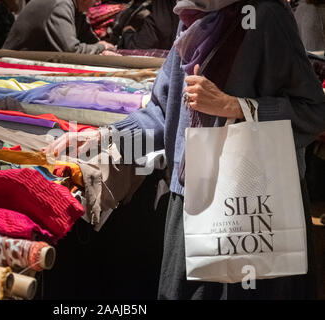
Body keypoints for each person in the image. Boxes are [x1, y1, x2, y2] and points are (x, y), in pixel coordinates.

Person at [46, 0, 325, 299]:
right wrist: (104, 138)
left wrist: (235, 106)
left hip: (255, 206)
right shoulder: (192, 17)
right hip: (193, 199)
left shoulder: (265, 14)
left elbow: (313, 112)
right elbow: (162, 114)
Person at [2, 0, 115, 54]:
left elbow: (92, 42)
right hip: (12, 64)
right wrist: (101, 48)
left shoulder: (77, 9)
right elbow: (71, 50)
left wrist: (103, 48)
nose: (98, 2)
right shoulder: (61, 4)